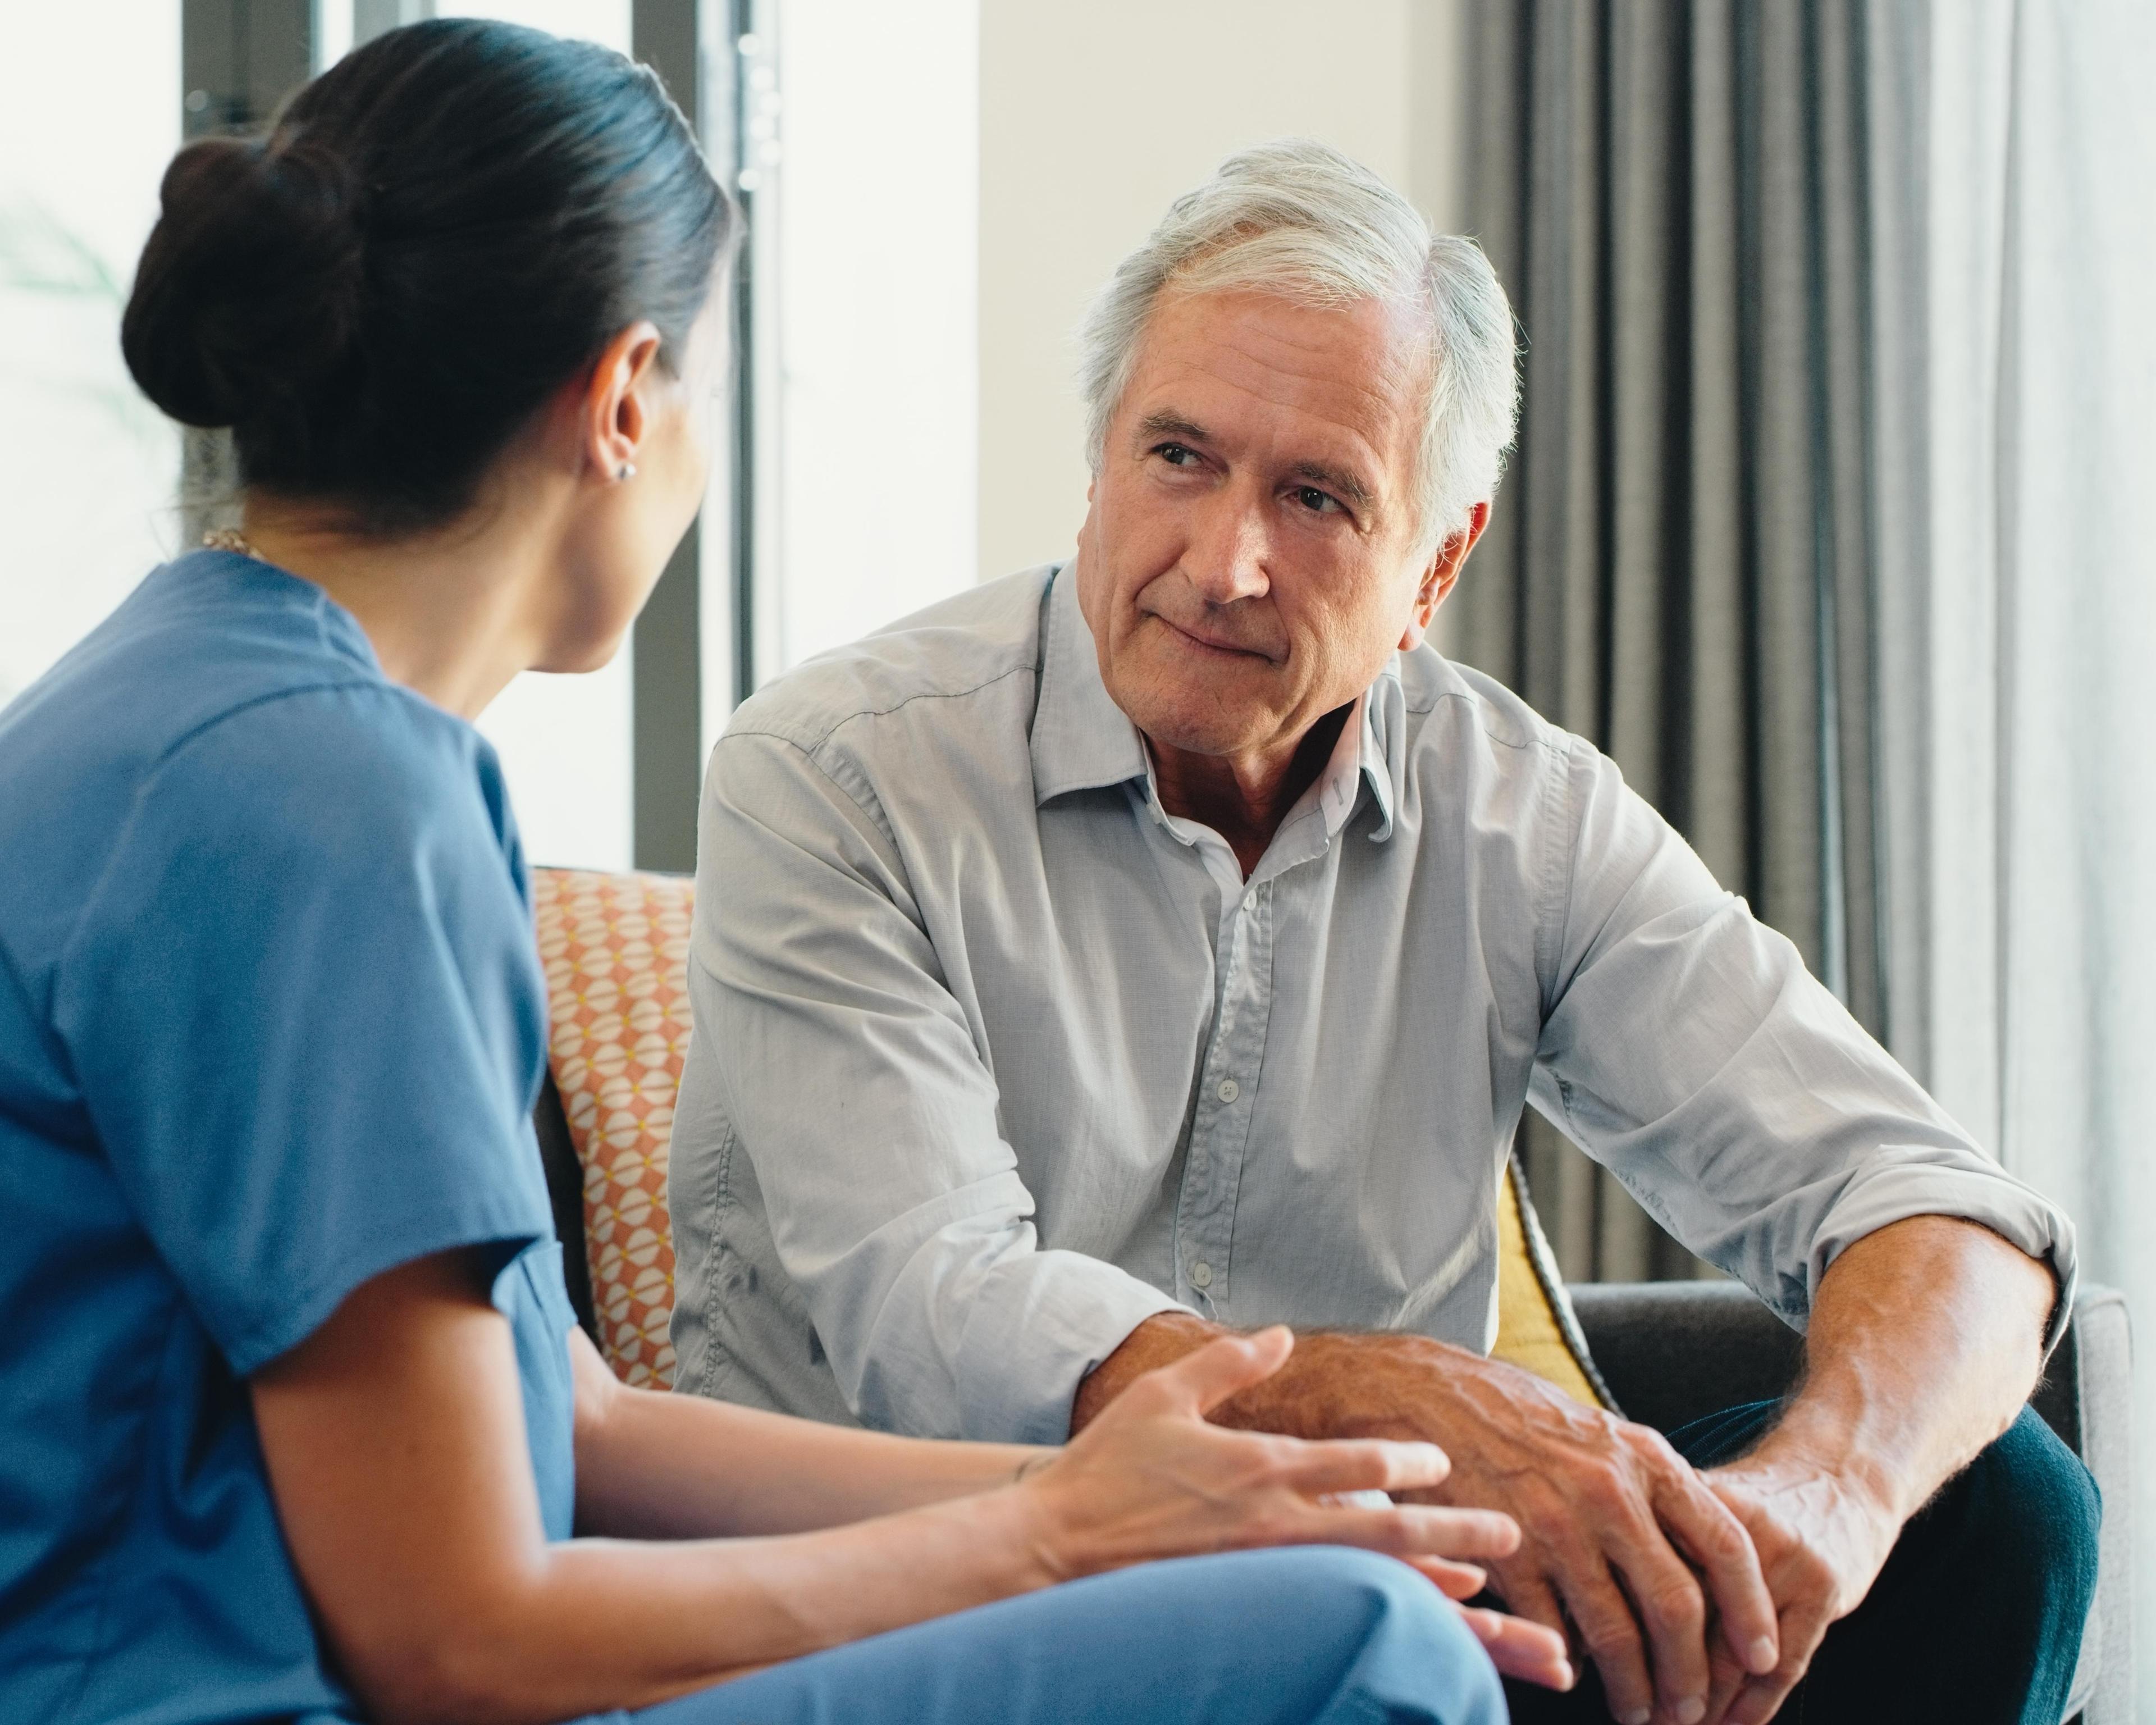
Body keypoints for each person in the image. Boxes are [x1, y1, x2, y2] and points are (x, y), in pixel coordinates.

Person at [0, 31, 1569, 1725]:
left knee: (1308, 1587)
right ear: (624, 399)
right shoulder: (331, 795)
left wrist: (1176, 1508)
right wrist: (1056, 1540)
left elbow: (579, 1430)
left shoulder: (191, 703)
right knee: (1370, 1647)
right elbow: (454, 1637)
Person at [669, 140, 2101, 1725]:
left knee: (2002, 1511)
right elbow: (928, 1307)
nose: (1226, 565)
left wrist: (1825, 1498)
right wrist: (1375, 1394)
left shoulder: (1523, 814)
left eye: (1318, 497)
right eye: (1179, 459)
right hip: (953, 1595)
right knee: (1365, 1625)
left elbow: (1937, 1208)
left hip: (1401, 1619)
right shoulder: (829, 776)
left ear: (1437, 562)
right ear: (1095, 465)